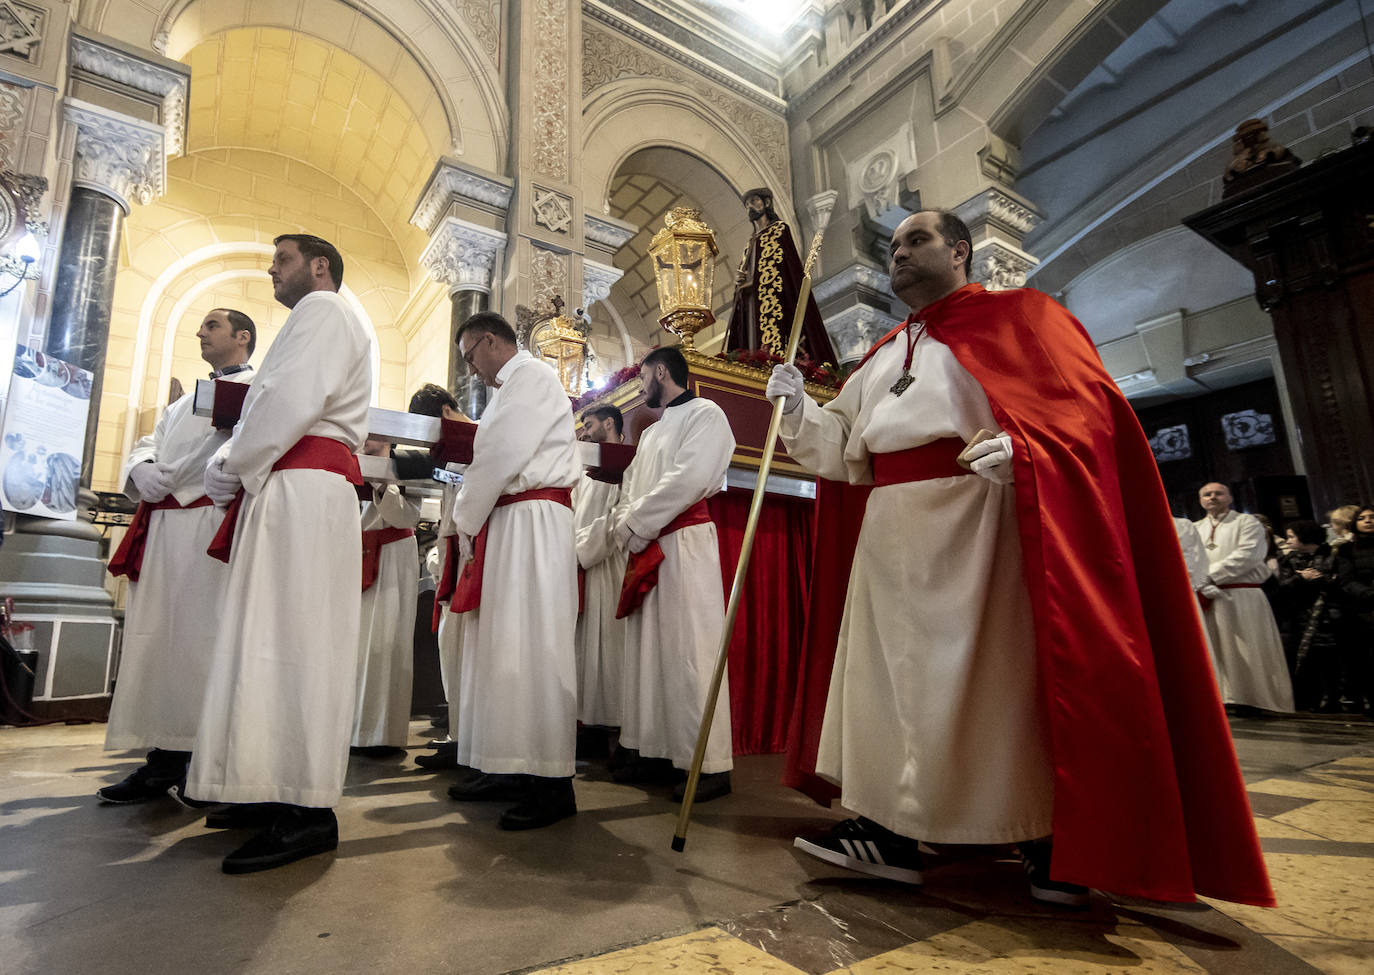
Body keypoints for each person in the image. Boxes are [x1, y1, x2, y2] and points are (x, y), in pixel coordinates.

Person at [768, 209, 1272, 909]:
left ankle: (1041, 833)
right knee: (893, 685)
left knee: (1001, 679)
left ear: (962, 251)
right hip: (888, 535)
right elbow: (844, 452)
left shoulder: (1023, 317)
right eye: (895, 248)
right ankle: (895, 829)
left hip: (983, 518)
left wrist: (1032, 452)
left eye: (919, 240)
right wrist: (798, 412)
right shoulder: (883, 353)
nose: (900, 254)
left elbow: (1087, 415)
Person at [186, 233, 371, 873]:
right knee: (268, 638)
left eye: (282, 259)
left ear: (320, 265)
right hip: (289, 485)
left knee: (296, 641)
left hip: (301, 486)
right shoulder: (320, 319)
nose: (272, 270)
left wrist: (230, 463)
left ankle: (305, 809)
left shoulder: (325, 310)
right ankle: (265, 782)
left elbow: (285, 403)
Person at [99, 309, 256, 803]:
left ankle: (206, 762)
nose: (200, 332)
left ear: (242, 337)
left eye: (212, 325)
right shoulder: (188, 397)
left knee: (204, 644)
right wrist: (141, 466)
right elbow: (150, 442)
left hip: (212, 525)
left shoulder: (261, 386)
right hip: (164, 527)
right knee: (157, 646)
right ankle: (161, 759)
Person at [446, 312, 581, 829]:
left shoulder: (532, 376)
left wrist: (464, 516)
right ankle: (504, 763)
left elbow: (500, 454)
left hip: (533, 520)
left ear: (488, 340)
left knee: (534, 644)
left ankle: (550, 783)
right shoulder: (509, 388)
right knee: (502, 643)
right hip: (510, 520)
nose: (471, 369)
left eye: (470, 356)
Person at [612, 346, 735, 803]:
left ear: (661, 371)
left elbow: (690, 478)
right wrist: (625, 524)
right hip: (650, 545)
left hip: (684, 544)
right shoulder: (651, 434)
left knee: (690, 652)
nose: (641, 386)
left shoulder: (708, 414)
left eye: (643, 376)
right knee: (650, 653)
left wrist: (636, 524)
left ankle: (708, 762)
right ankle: (654, 748)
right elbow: (630, 487)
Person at [1194, 482, 1294, 713]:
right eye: (1207, 494)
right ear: (1200, 500)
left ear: (1230, 498)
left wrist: (1207, 575)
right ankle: (1225, 697)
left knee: (1249, 645)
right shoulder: (1195, 527)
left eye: (1218, 493)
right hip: (1208, 594)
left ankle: (1256, 697)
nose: (1212, 497)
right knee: (1216, 646)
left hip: (1242, 594)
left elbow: (1248, 555)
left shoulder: (1247, 523)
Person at [352, 437, 421, 758]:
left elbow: (408, 518)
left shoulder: (411, 461)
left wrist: (383, 486)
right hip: (357, 551)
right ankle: (352, 728)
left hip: (393, 554)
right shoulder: (352, 459)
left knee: (386, 642)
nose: (365, 436)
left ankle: (381, 734)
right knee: (355, 646)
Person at [720, 187, 836, 365]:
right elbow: (748, 278)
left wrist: (755, 282)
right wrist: (739, 284)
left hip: (777, 306)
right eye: (747, 204)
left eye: (754, 201)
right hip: (753, 309)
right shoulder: (749, 245)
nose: (750, 207)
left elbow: (788, 273)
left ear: (766, 203)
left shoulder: (779, 231)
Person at [572, 405, 628, 756]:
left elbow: (622, 513)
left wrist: (578, 548)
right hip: (582, 568)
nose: (585, 433)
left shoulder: (627, 463)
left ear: (610, 424)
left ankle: (615, 733)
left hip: (608, 567)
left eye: (589, 425)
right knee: (584, 653)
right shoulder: (586, 470)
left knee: (609, 652)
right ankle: (587, 727)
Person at [1275, 520, 1340, 711]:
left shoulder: (1332, 556)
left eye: (1292, 536)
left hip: (1328, 615)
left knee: (1330, 660)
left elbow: (1338, 581)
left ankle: (1331, 698)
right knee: (1306, 659)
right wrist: (1300, 578)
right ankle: (1309, 698)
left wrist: (1320, 579)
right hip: (1298, 617)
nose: (1288, 541)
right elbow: (1282, 587)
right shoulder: (1288, 560)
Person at [1333, 505, 1374, 715]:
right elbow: (1346, 581)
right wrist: (1369, 595)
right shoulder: (1346, 550)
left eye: (1372, 517)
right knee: (1366, 660)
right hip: (1362, 610)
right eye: (1362, 518)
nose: (1368, 521)